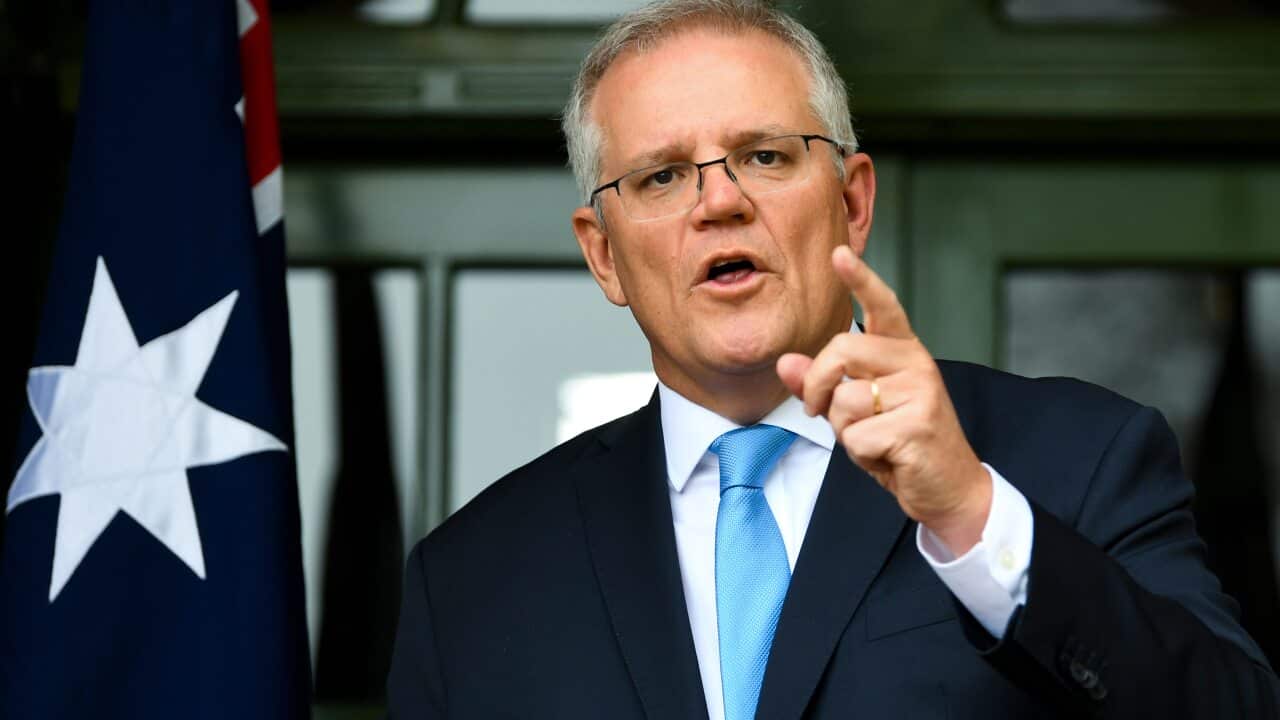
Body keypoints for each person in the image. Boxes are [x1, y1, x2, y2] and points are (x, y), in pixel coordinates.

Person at [386, 1, 1279, 717]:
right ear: (605, 256)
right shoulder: (470, 578)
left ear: (852, 204)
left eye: (764, 156)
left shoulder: (1080, 457)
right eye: (662, 176)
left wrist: (971, 514)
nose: (719, 202)